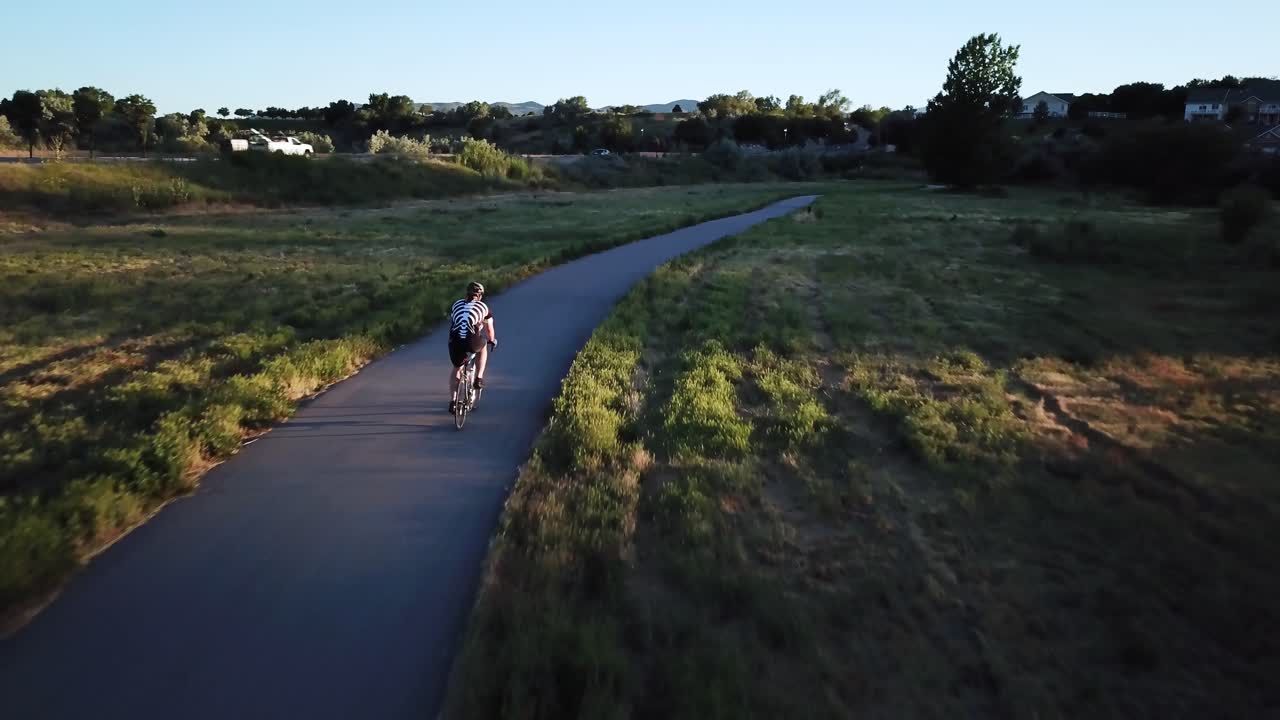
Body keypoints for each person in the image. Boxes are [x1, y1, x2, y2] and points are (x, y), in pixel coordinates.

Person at [448, 281, 497, 413]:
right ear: (480, 296)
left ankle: (453, 402)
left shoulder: (456, 304)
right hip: (471, 340)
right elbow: (489, 331)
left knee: (456, 369)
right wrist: (492, 341)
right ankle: (478, 379)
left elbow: (456, 321)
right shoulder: (484, 307)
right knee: (483, 347)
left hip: (455, 341)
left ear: (466, 294)